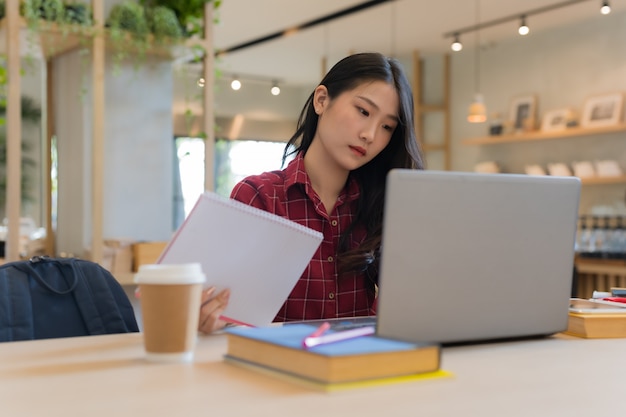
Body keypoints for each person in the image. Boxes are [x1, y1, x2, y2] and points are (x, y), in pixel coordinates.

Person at [198, 52, 424, 333]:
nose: (370, 134)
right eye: (363, 111)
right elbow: (229, 311)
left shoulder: (383, 206)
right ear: (321, 100)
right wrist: (215, 317)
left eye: (387, 127)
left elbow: (405, 306)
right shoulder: (259, 197)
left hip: (363, 366)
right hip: (277, 368)